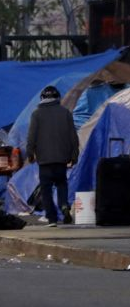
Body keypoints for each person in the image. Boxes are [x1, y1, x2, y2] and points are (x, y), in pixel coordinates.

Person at [27, 86, 79, 227]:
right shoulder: (65, 113)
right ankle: (63, 205)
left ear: (42, 98)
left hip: (44, 160)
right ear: (58, 98)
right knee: (62, 184)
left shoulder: (36, 114)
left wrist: (30, 153)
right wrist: (74, 155)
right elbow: (73, 137)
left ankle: (52, 219)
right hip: (62, 158)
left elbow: (32, 137)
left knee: (46, 189)